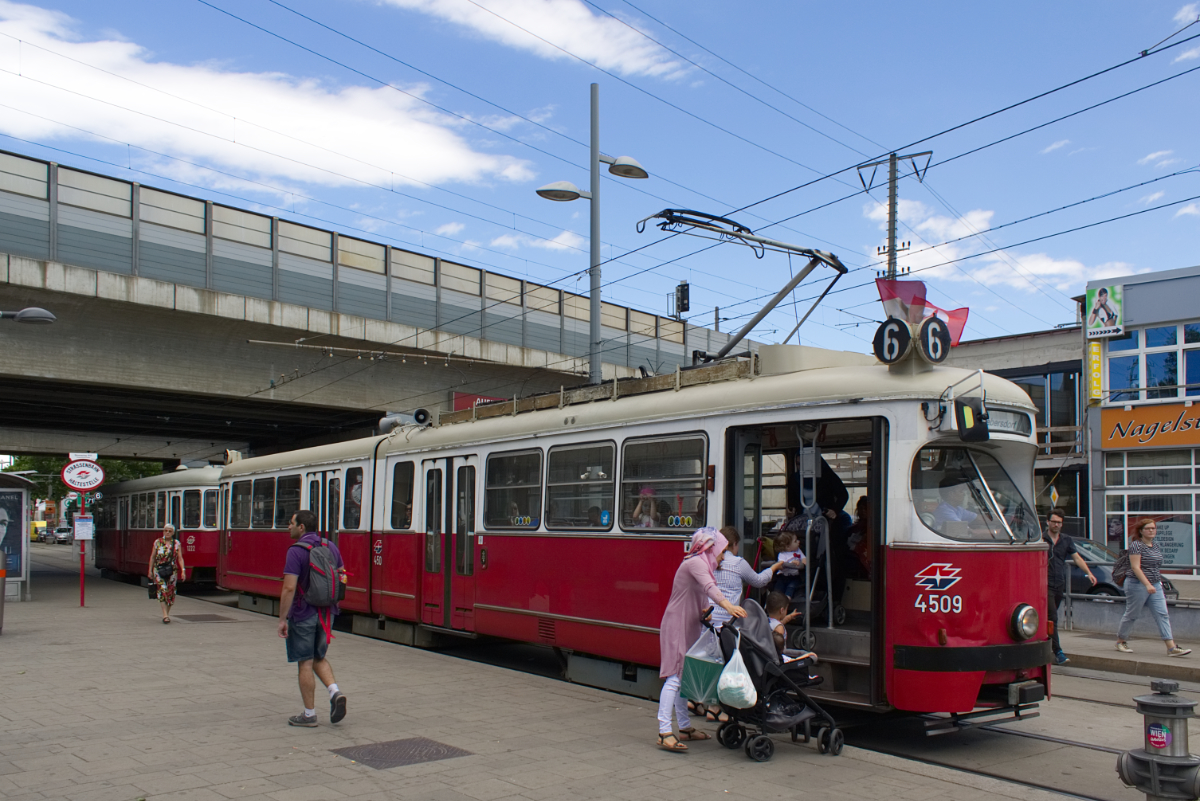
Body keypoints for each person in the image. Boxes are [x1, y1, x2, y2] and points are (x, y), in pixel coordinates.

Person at [656, 527, 746, 753]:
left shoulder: (700, 564)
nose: (723, 556)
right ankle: (664, 731)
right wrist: (729, 606)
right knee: (674, 678)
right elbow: (710, 588)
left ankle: (685, 728)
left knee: (681, 678)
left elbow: (700, 593)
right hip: (678, 626)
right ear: (710, 547)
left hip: (688, 624)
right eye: (721, 550)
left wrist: (706, 607)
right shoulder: (695, 563)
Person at [278, 510, 349, 727]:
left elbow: (289, 588)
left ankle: (309, 715)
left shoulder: (296, 551)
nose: (288, 527)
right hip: (327, 614)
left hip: (303, 613)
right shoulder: (329, 546)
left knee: (305, 662)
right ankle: (335, 692)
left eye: (291, 523)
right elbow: (342, 574)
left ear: (301, 527)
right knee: (319, 657)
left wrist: (282, 619)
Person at [1116, 518, 1191, 657]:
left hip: (1155, 584)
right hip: (1136, 584)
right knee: (1132, 614)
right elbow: (1135, 567)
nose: (1151, 531)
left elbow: (1155, 566)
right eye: (1148, 528)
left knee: (1162, 614)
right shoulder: (1136, 546)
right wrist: (1147, 584)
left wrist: (1157, 583)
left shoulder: (1155, 545)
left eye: (1153, 528)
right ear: (1141, 531)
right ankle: (1121, 640)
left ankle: (1171, 647)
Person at [1044, 508, 1095, 665]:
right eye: (1054, 522)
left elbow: (1077, 558)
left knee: (1048, 619)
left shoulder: (1066, 540)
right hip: (1044, 583)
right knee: (1052, 617)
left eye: (1059, 523)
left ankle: (1043, 642)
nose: (1057, 525)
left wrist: (1088, 573)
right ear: (1048, 522)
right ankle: (1058, 652)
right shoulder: (1040, 538)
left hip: (1059, 582)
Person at [147, 524, 186, 623]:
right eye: (165, 531)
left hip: (172, 570)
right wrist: (150, 570)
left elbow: (180, 558)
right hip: (159, 569)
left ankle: (167, 614)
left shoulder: (176, 543)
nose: (167, 533)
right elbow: (152, 557)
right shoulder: (157, 542)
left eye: (169, 531)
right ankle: (165, 615)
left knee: (171, 592)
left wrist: (183, 570)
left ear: (173, 533)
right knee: (162, 590)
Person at [772, 531, 807, 599]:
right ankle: (776, 600)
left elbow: (804, 559)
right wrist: (791, 564)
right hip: (783, 576)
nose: (798, 541)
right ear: (788, 547)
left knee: (792, 586)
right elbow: (781, 565)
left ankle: (787, 598)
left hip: (794, 577)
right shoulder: (782, 554)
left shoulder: (798, 550)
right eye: (795, 541)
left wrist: (802, 563)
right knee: (778, 588)